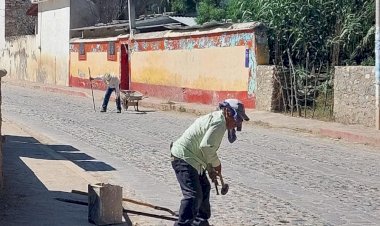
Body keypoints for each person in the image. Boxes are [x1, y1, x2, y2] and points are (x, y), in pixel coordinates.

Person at [170, 98, 250, 226]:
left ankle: (200, 222)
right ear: (228, 113)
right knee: (193, 196)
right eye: (237, 119)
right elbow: (206, 147)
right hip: (184, 158)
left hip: (194, 159)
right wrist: (217, 165)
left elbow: (204, 149)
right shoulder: (219, 123)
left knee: (205, 187)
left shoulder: (219, 119)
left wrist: (210, 169)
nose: (237, 123)